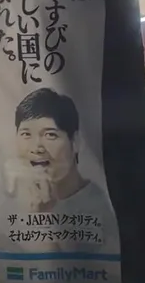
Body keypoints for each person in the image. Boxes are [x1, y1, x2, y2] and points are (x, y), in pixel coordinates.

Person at [8, 88, 117, 238]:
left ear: (76, 142)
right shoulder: (9, 199)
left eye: (50, 135)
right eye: (26, 134)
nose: (37, 148)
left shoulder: (98, 207)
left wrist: (44, 218)